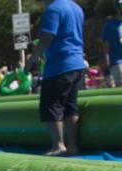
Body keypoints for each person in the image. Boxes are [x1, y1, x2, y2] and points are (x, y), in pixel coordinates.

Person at [26, 0, 88, 155]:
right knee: (71, 106)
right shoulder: (76, 8)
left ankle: (58, 145)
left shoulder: (53, 9)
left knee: (52, 105)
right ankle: (73, 146)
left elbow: (47, 38)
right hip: (77, 64)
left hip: (59, 65)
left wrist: (31, 61)